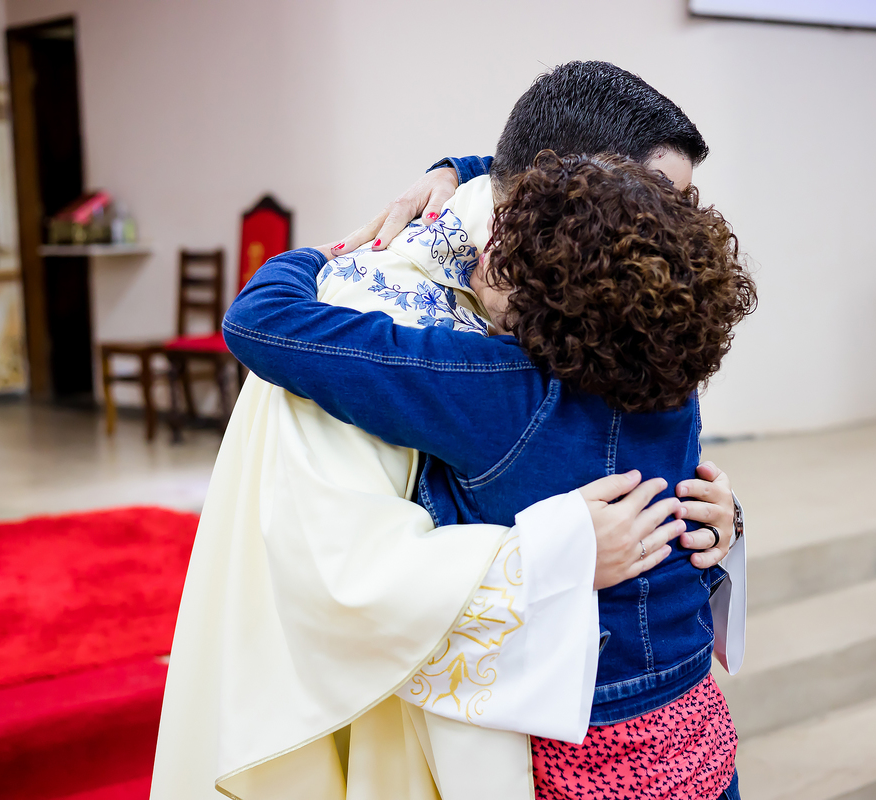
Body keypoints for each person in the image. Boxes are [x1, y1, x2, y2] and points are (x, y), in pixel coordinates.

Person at [151, 62, 745, 800]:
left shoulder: (491, 385)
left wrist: (324, 256)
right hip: (698, 725)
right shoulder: (673, 372)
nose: (672, 228)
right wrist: (458, 170)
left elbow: (263, 323)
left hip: (595, 739)